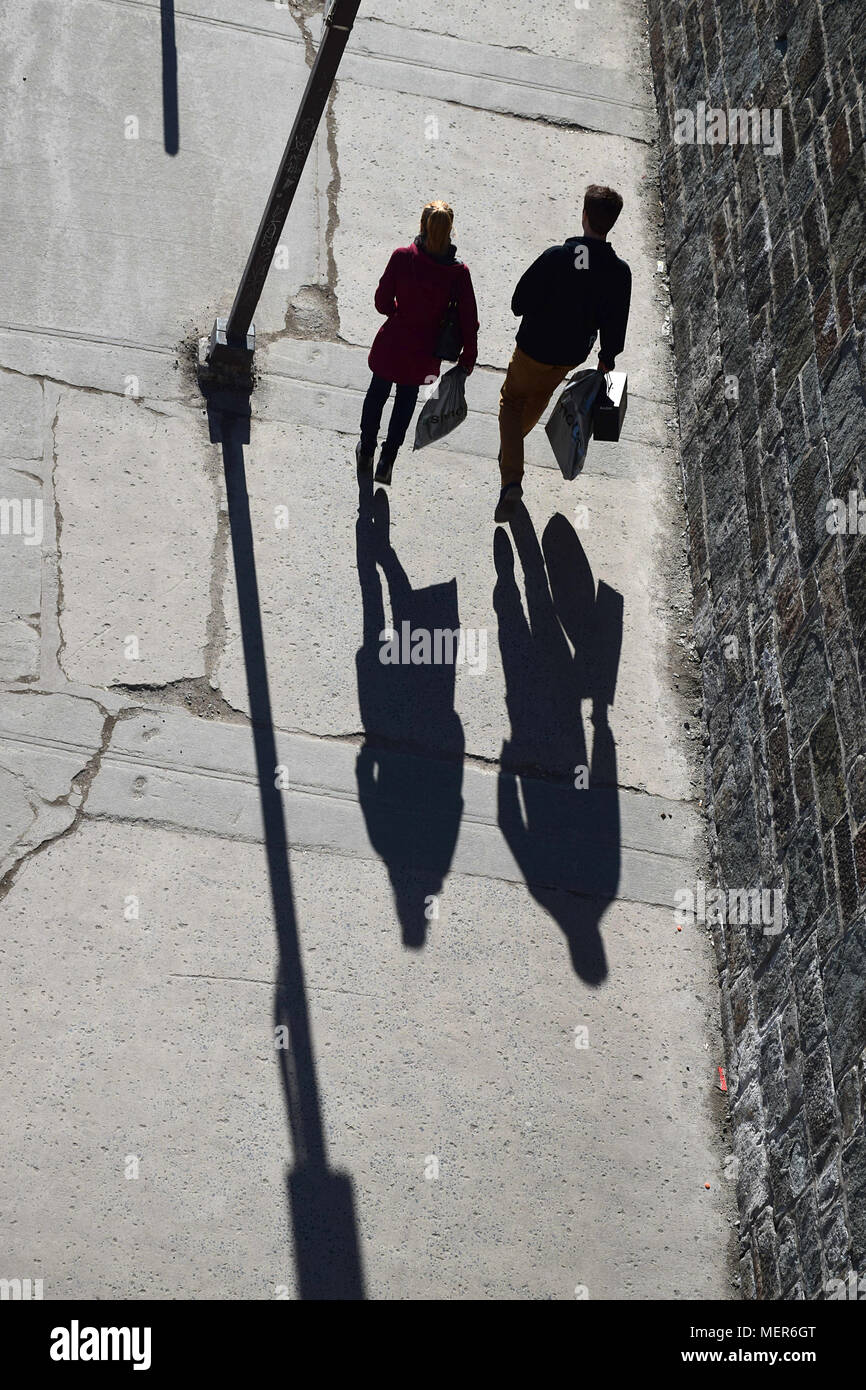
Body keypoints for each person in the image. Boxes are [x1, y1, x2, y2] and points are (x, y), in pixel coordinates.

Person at [495, 184, 631, 523]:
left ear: (583, 216)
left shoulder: (557, 257)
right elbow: (616, 325)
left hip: (532, 348)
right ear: (611, 223)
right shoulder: (618, 272)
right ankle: (511, 448)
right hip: (571, 356)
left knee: (511, 403)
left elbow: (518, 302)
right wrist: (607, 357)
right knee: (539, 397)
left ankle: (511, 477)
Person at [357, 201, 479, 486]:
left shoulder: (402, 257)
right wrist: (468, 357)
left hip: (394, 342)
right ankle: (387, 460)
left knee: (376, 394)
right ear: (450, 231)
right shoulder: (458, 274)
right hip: (424, 353)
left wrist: (397, 311)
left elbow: (381, 302)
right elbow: (468, 319)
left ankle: (366, 449)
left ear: (422, 226)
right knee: (406, 400)